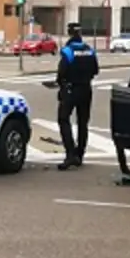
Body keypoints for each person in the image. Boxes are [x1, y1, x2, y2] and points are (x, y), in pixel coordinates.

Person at [55, 22, 99, 171]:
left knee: (63, 118)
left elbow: (62, 72)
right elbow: (95, 70)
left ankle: (70, 153)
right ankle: (80, 154)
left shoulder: (68, 51)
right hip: (86, 89)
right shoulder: (89, 50)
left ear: (69, 33)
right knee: (82, 122)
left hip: (71, 89)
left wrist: (61, 84)